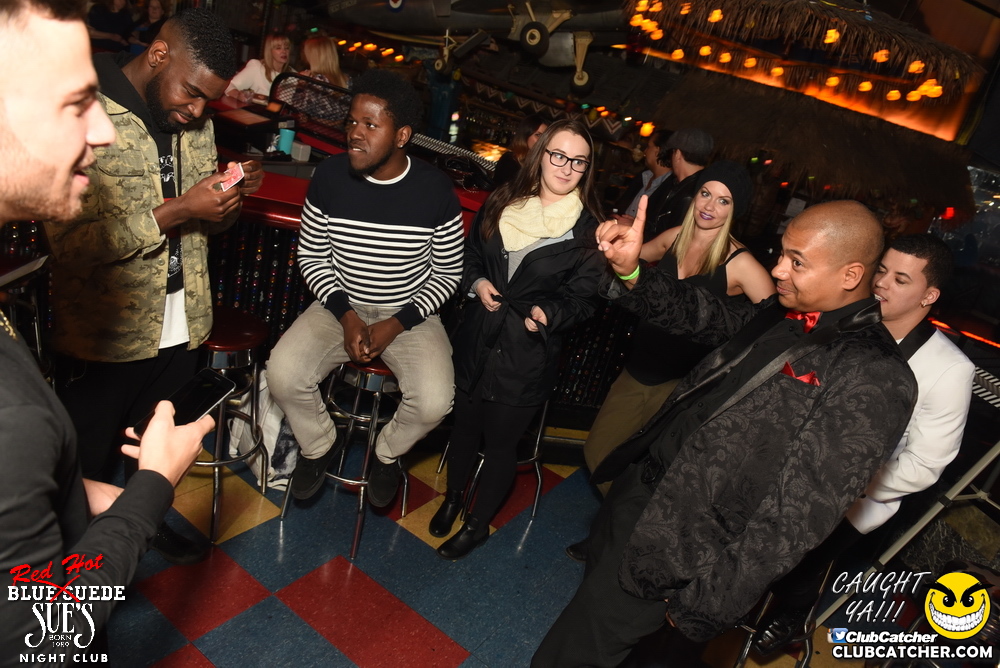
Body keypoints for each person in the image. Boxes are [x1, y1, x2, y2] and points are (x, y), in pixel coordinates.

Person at [532, 199, 918, 666]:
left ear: (850, 275)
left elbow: (796, 517)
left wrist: (703, 607)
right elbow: (703, 315)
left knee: (571, 653)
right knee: (595, 623)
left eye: (797, 262)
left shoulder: (876, 374)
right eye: (782, 254)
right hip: (639, 492)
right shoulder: (787, 309)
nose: (778, 270)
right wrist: (632, 272)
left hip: (681, 544)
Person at [0, 0, 213, 661]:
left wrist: (81, 495)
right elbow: (49, 635)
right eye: (75, 104)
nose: (102, 129)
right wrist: (151, 488)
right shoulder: (14, 418)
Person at [44, 8, 263, 564]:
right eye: (192, 93)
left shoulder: (196, 121)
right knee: (85, 463)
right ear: (160, 55)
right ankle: (77, 567)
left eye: (209, 101)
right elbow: (73, 246)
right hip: (105, 334)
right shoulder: (84, 111)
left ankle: (142, 522)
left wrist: (225, 201)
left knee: (153, 450)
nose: (197, 110)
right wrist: (178, 210)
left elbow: (211, 225)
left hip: (182, 324)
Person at [751, 233, 975, 656]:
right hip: (784, 464)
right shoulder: (846, 321)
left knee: (792, 569)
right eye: (883, 270)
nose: (883, 283)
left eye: (901, 279)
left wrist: (844, 480)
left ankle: (792, 614)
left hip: (857, 498)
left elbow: (926, 464)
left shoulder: (950, 369)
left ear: (929, 295)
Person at [267, 69, 463, 509]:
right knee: (282, 373)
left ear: (401, 135)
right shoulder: (329, 176)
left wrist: (395, 324)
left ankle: (387, 453)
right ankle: (319, 443)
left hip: (410, 314)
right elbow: (312, 256)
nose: (355, 133)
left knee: (435, 402)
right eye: (352, 122)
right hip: (338, 306)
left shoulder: (435, 190)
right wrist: (347, 316)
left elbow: (448, 273)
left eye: (370, 125)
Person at [565, 161, 775, 563]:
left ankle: (613, 539)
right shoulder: (676, 235)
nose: (710, 205)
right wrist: (617, 236)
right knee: (599, 451)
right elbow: (632, 262)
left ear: (736, 209)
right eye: (706, 193)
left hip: (682, 386)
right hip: (638, 367)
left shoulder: (740, 263)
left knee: (647, 467)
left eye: (724, 200)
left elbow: (773, 325)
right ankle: (627, 529)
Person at [430, 119, 608, 559]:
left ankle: (477, 525)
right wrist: (476, 284)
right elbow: (471, 254)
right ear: (541, 154)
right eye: (558, 155)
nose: (566, 168)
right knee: (463, 429)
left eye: (578, 161)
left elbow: (584, 301)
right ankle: (453, 498)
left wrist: (550, 314)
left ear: (587, 169)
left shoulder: (589, 232)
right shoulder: (504, 200)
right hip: (477, 338)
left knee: (500, 446)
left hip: (526, 354)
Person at [611, 129, 671, 228]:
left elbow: (661, 227)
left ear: (657, 151)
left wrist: (638, 226)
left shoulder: (671, 188)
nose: (645, 151)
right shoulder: (643, 177)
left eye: (648, 147)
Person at [225, 32, 293, 101]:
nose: (284, 51)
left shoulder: (293, 75)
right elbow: (229, 86)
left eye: (287, 48)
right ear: (269, 50)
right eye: (278, 48)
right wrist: (238, 95)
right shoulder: (257, 67)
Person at [492, 114, 547, 188]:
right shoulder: (510, 160)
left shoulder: (540, 163)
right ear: (525, 135)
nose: (542, 140)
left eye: (544, 137)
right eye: (538, 135)